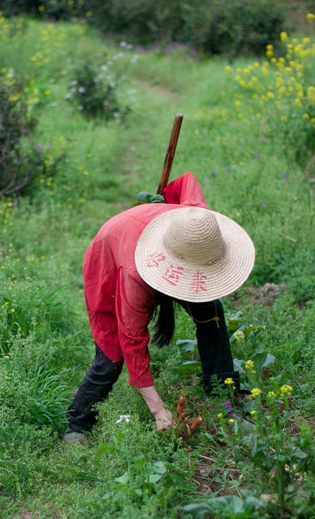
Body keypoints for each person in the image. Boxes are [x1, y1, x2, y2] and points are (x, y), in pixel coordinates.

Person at [64, 172, 255, 442]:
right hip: (111, 256)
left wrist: (164, 200)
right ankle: (78, 423)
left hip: (169, 242)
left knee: (211, 312)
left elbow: (187, 180)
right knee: (111, 355)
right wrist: (158, 410)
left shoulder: (196, 221)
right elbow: (133, 341)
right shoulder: (134, 276)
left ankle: (223, 401)